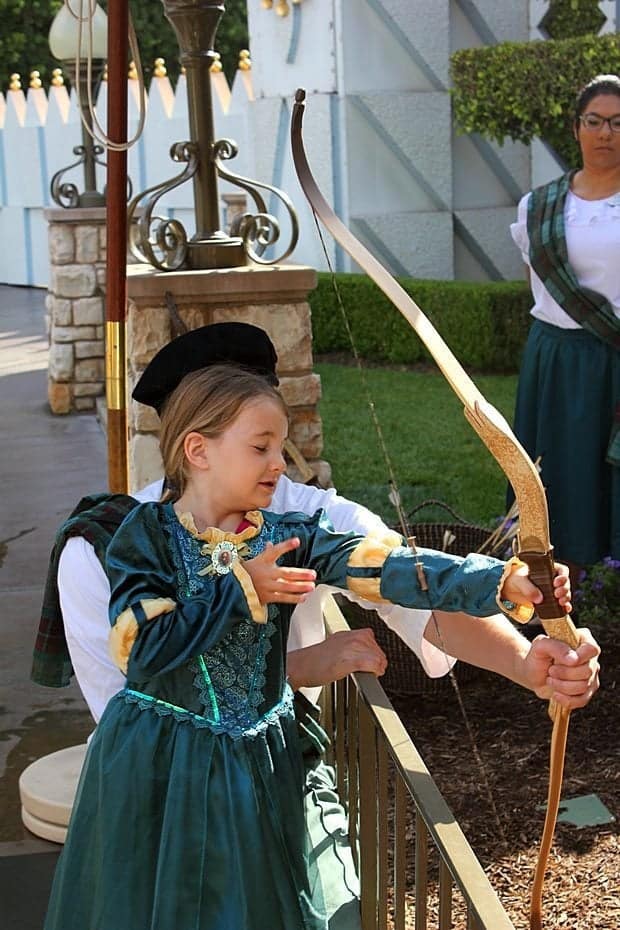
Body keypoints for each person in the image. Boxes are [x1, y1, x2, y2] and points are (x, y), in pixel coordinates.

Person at [42, 363, 582, 930]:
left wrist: (497, 582)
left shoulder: (287, 535)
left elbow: (387, 566)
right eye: (261, 447)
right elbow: (142, 651)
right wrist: (240, 589)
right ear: (197, 450)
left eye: (282, 446)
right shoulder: (142, 536)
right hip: (163, 766)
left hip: (263, 757)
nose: (279, 462)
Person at [510, 73, 620, 587]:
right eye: (595, 121)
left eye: (618, 123)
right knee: (554, 472)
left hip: (615, 358)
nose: (606, 133)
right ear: (576, 128)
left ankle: (609, 580)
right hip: (554, 358)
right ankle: (552, 581)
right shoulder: (539, 205)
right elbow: (537, 285)